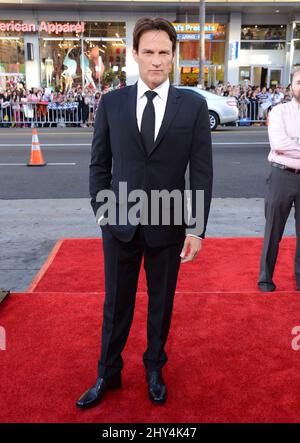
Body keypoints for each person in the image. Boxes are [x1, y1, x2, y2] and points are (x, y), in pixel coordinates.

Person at [76, 17, 213, 409]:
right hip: (118, 224)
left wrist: (197, 228)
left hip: (168, 224)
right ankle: (108, 373)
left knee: (161, 302)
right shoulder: (112, 103)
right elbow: (98, 164)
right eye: (148, 52)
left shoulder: (193, 106)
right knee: (115, 303)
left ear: (174, 56)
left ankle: (154, 367)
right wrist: (102, 212)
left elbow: (201, 173)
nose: (156, 61)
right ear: (134, 55)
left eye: (164, 53)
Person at [258, 68, 300, 292]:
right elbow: (279, 145)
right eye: (299, 82)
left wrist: (294, 144)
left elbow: (288, 145)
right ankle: (265, 278)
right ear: (291, 86)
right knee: (273, 230)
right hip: (281, 175)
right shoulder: (279, 111)